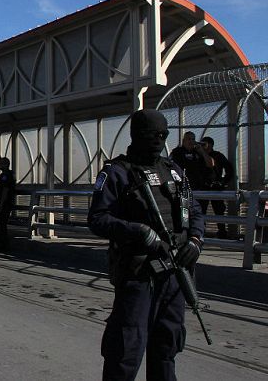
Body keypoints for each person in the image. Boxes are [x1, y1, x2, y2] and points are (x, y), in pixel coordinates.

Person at [89, 109, 204, 380]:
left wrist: (196, 241)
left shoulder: (173, 170)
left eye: (163, 135)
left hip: (176, 273)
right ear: (137, 135)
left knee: (167, 345)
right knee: (126, 350)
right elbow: (97, 219)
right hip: (138, 274)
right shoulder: (117, 172)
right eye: (153, 135)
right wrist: (139, 232)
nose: (159, 140)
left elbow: (195, 210)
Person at [199, 136, 234, 239]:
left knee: (219, 211)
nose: (202, 146)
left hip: (215, 187)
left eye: (204, 144)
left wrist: (223, 182)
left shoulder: (218, 156)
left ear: (210, 145)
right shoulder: (199, 156)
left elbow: (229, 170)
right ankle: (201, 232)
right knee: (201, 211)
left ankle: (222, 233)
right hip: (204, 187)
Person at [0, 157, 16, 251]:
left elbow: (5, 190)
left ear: (5, 164)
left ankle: (2, 244)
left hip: (5, 203)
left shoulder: (5, 175)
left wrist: (1, 204)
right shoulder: (11, 174)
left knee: (1, 224)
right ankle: (2, 243)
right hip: (8, 202)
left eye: (0, 163)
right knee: (2, 223)